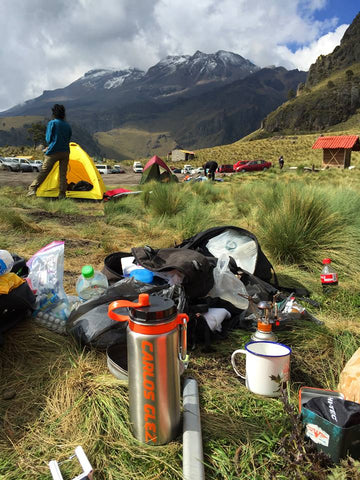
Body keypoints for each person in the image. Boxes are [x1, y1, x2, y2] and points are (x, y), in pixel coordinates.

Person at [27, 104, 72, 198]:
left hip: (53, 151)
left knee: (44, 171)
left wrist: (49, 146)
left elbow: (48, 139)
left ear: (54, 113)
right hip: (65, 152)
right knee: (63, 174)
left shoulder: (53, 123)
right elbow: (68, 138)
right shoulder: (67, 125)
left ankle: (32, 189)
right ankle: (62, 194)